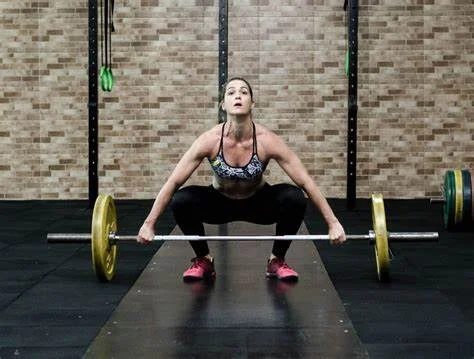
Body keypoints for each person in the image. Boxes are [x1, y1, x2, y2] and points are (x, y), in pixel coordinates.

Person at [137, 77, 346, 281]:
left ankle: (277, 260)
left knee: (294, 196)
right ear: (223, 104)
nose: (238, 95)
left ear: (252, 103)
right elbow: (173, 182)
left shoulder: (267, 140)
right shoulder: (209, 140)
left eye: (244, 92)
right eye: (231, 92)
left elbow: (306, 182)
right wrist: (149, 224)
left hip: (259, 203)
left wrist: (333, 223)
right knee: (182, 199)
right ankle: (203, 260)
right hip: (218, 203)